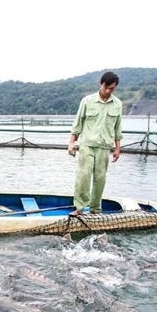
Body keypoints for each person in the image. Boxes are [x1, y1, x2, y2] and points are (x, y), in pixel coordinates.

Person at [67, 71, 122, 216]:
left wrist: (118, 148)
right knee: (83, 175)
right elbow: (78, 123)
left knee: (100, 178)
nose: (108, 91)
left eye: (112, 89)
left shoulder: (117, 104)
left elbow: (118, 128)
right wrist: (72, 142)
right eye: (106, 87)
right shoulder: (87, 101)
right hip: (87, 144)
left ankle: (95, 209)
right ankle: (79, 208)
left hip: (104, 146)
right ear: (101, 83)